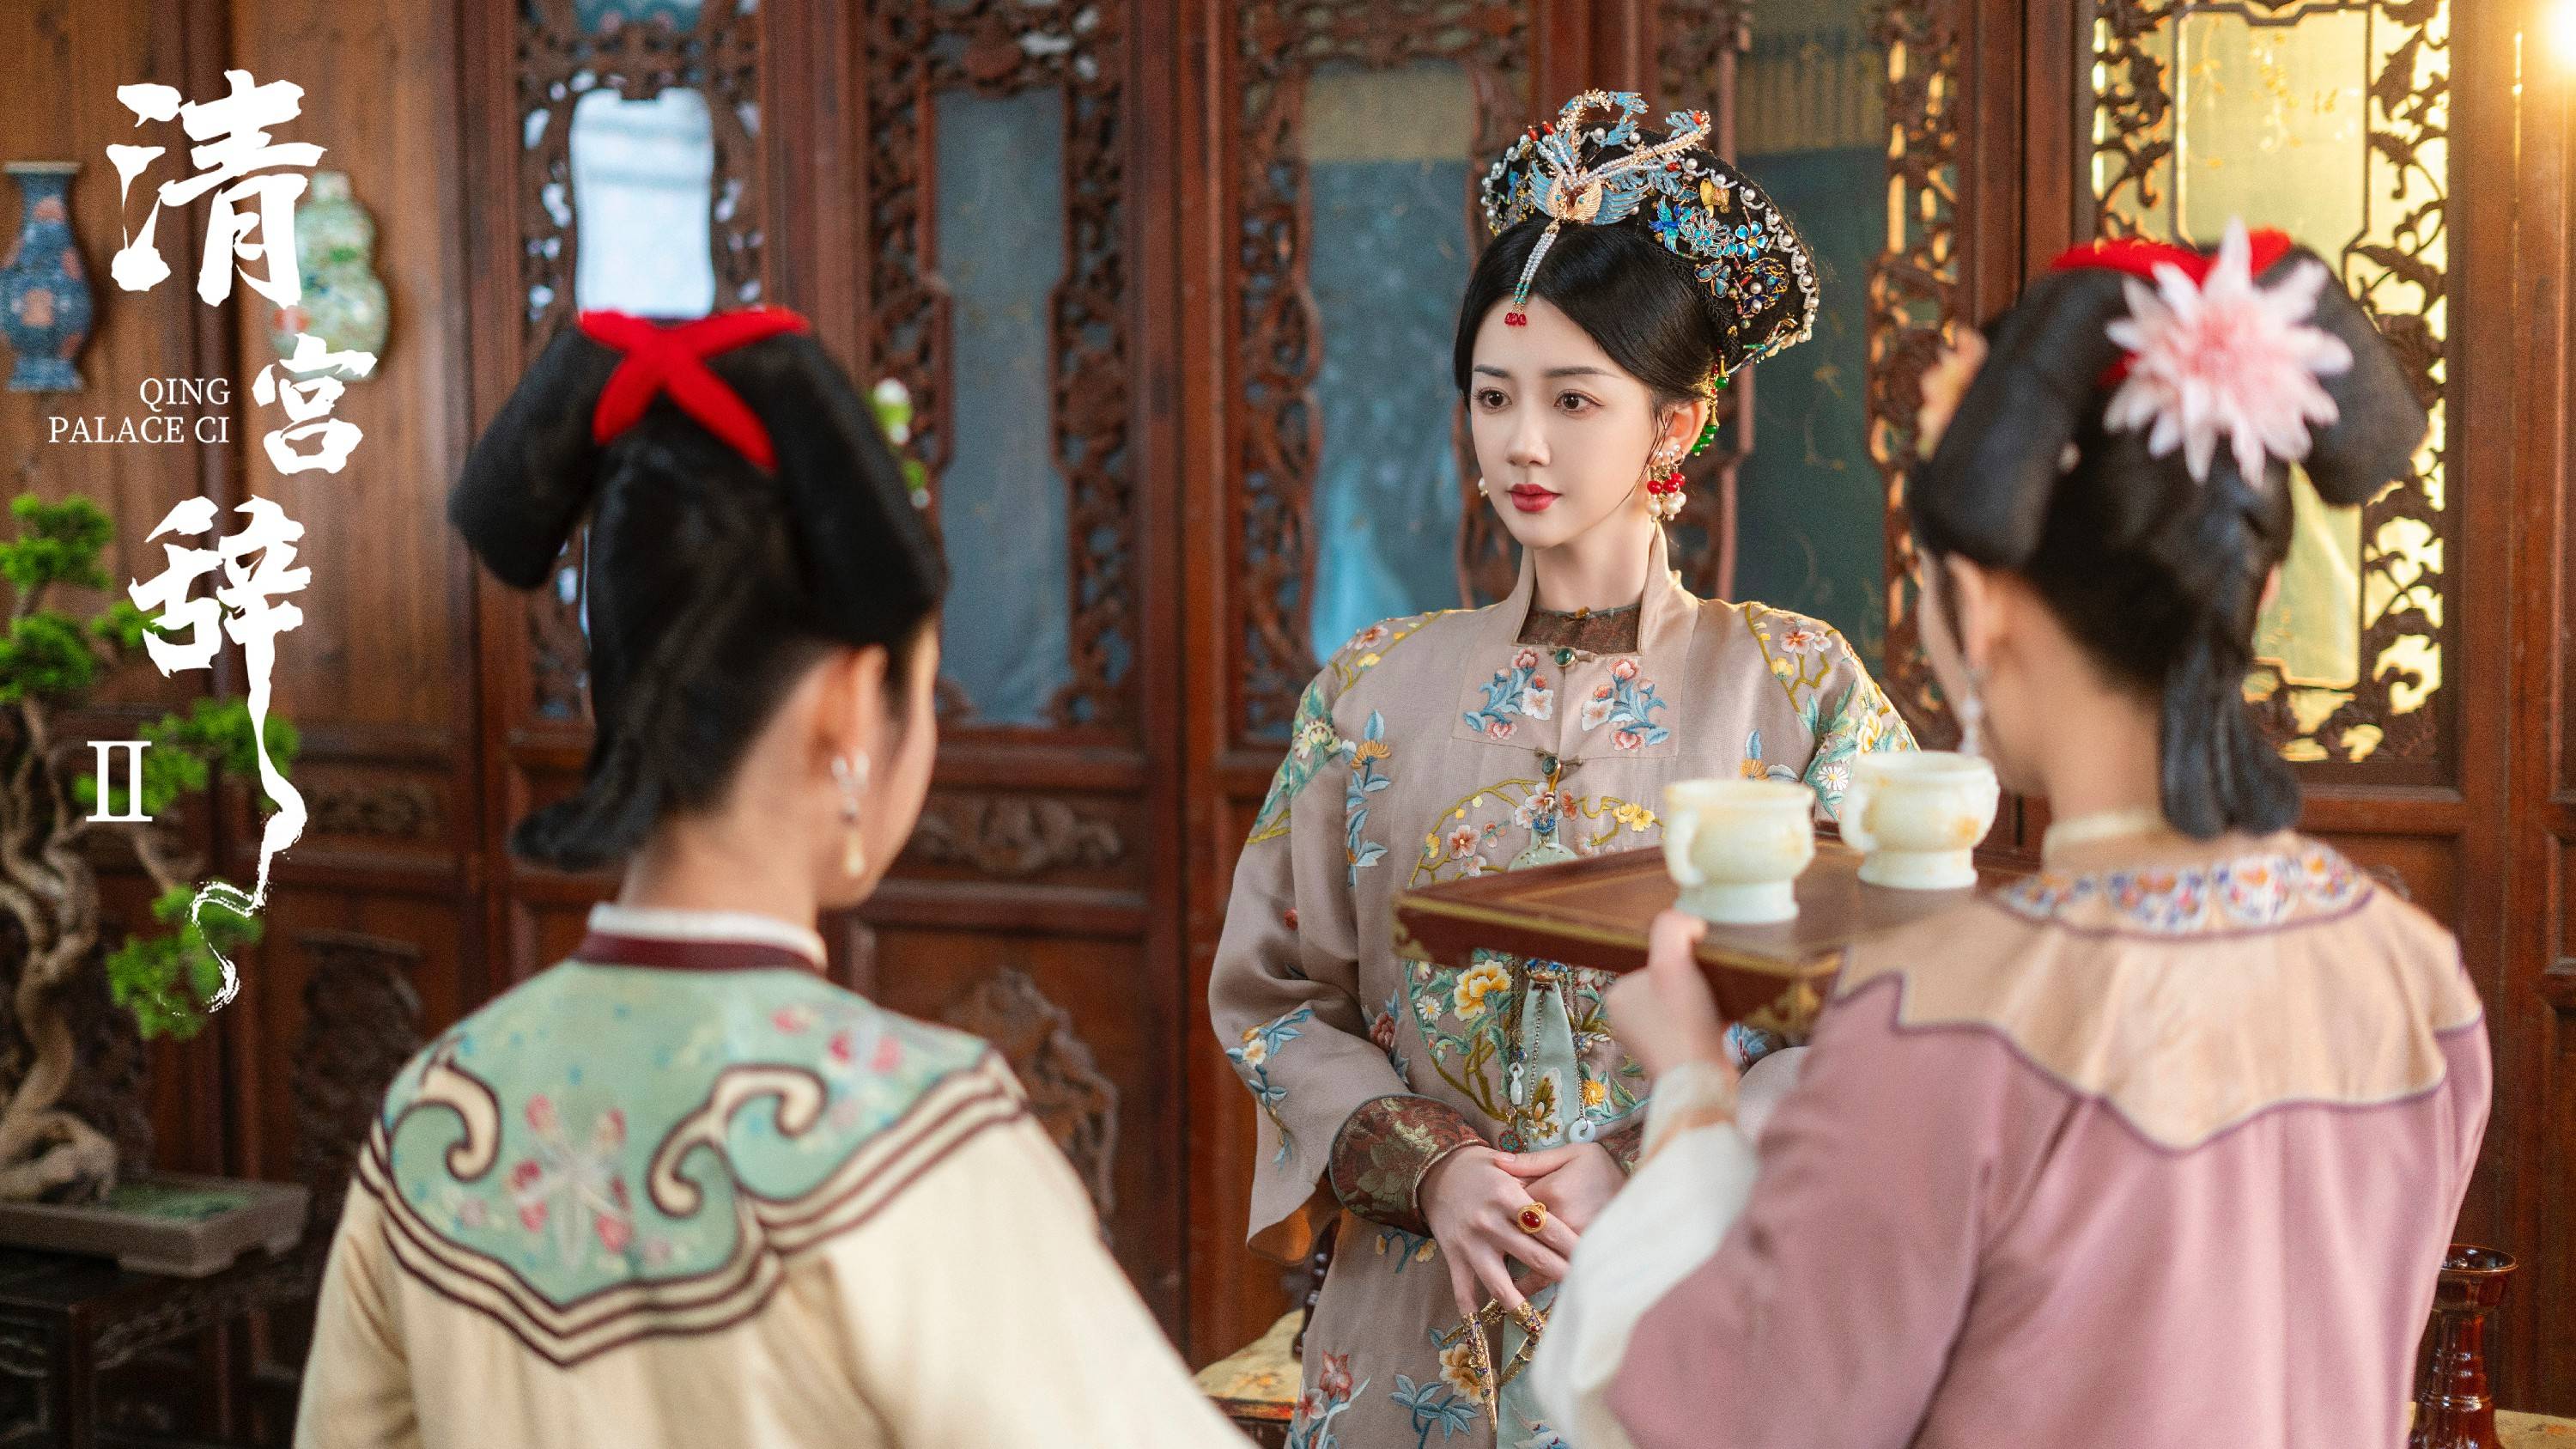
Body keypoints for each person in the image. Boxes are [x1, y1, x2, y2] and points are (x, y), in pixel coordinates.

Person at [1531, 222, 2489, 1447]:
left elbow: (1718, 1417)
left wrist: (1691, 1095)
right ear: (2247, 585)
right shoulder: (2410, 974)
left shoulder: (1949, 1011)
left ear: (1977, 605)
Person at [295, 307, 1245, 1448]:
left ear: (613, 690)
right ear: (849, 709)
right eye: (920, 692)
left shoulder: (435, 1111)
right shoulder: (914, 1138)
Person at [1207, 91, 1915, 1448]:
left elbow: (1889, 1013)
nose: (1522, 442)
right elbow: (1272, 998)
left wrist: (1649, 1158)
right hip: (1413, 1319)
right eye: (1494, 397)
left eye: (1573, 400)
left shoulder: (1797, 688)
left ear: (1676, 426)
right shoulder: (1370, 690)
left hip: (1694, 1308)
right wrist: (1434, 1168)